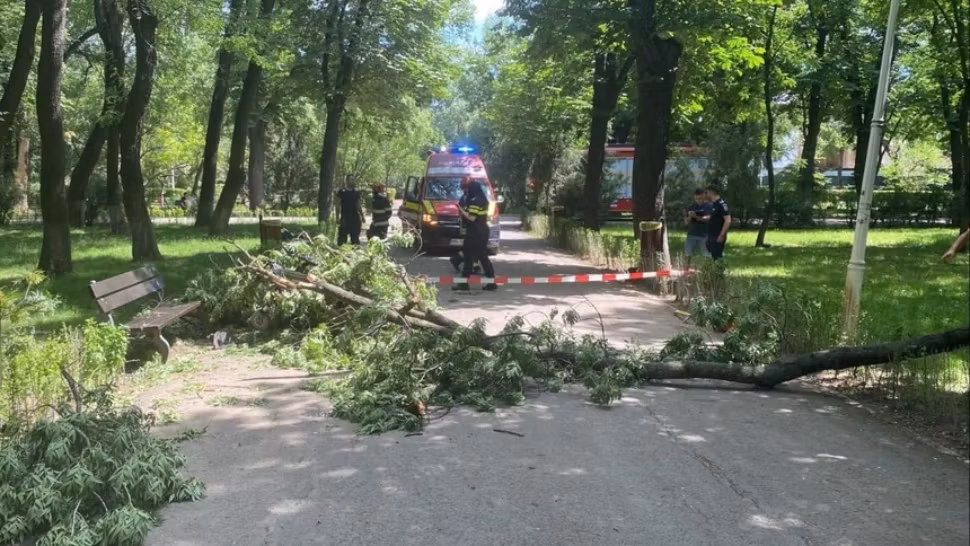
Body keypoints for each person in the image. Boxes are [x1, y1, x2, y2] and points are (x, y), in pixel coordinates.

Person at [453, 179, 496, 291]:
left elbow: (472, 217)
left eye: (468, 189)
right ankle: (491, 283)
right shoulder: (482, 198)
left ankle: (463, 284)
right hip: (482, 231)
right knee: (483, 257)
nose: (466, 191)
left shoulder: (475, 200)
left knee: (468, 257)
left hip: (475, 232)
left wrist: (460, 210)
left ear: (472, 189)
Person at [449, 178, 481, 274]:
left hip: (473, 226)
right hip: (470, 226)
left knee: (473, 246)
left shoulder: (468, 197)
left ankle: (458, 260)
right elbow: (467, 214)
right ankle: (473, 266)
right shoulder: (466, 198)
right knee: (473, 246)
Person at [702, 184, 731, 260]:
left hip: (717, 235)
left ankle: (719, 271)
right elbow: (716, 217)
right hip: (711, 235)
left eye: (706, 192)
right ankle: (714, 270)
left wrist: (721, 235)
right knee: (712, 256)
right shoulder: (714, 204)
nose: (706, 194)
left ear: (711, 192)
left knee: (717, 257)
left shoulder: (721, 204)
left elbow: (727, 220)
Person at [684, 188, 712, 267]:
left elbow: (708, 219)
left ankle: (708, 271)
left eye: (700, 198)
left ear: (704, 196)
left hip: (705, 235)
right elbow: (686, 222)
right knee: (687, 254)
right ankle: (685, 270)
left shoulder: (709, 206)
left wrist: (696, 216)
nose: (698, 200)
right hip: (691, 235)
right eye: (696, 199)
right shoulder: (691, 206)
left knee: (707, 255)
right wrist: (689, 217)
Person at [336, 175, 364, 245]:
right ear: (347, 181)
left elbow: (358, 205)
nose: (353, 181)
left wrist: (362, 216)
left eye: (353, 180)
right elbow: (337, 205)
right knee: (342, 240)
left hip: (355, 218)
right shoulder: (342, 192)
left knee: (355, 239)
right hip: (345, 218)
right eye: (351, 180)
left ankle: (356, 253)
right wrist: (337, 217)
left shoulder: (356, 192)